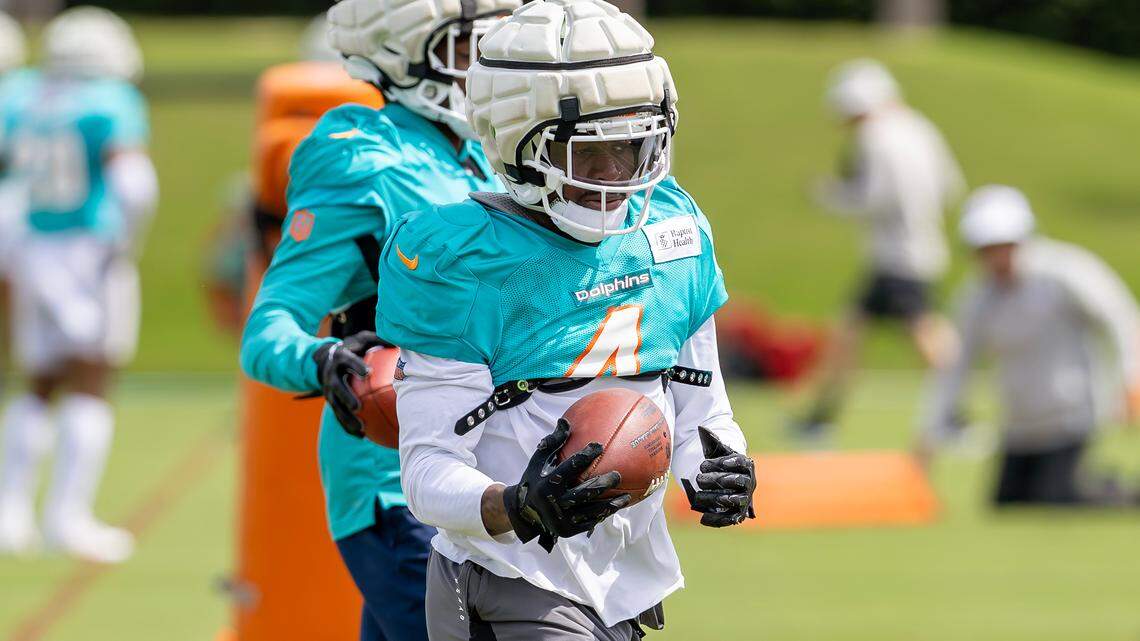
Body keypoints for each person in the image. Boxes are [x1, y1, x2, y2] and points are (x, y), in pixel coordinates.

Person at [375, 1, 757, 638]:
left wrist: (720, 469)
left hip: (623, 579)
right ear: (520, 143)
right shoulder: (461, 258)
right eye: (590, 156)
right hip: (510, 575)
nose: (616, 178)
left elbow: (701, 409)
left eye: (633, 149)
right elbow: (426, 471)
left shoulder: (672, 230)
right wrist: (515, 505)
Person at [239, 1, 518, 639]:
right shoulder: (362, 157)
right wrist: (326, 360)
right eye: (464, 46)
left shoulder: (481, 155)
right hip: (398, 476)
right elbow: (270, 326)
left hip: (485, 470)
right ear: (402, 52)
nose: (485, 63)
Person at [0, 7, 157, 562]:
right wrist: (124, 243)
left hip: (30, 244)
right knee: (91, 378)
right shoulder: (109, 102)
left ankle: (10, 512)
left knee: (38, 380)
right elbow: (134, 184)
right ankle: (66, 518)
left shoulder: (19, 94)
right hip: (86, 249)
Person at [920, 185, 1140, 505]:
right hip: (1020, 425)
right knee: (1008, 503)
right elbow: (956, 366)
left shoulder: (1066, 272)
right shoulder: (977, 298)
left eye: (1003, 245)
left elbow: (1122, 319)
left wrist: (1132, 379)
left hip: (1072, 417)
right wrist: (931, 431)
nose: (996, 256)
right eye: (986, 247)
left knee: (1057, 497)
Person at [795, 59, 965, 441]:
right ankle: (822, 414)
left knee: (923, 333)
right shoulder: (921, 128)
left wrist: (830, 196)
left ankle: (956, 414)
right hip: (919, 247)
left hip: (896, 254)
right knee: (851, 331)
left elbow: (874, 199)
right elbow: (950, 185)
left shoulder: (875, 137)